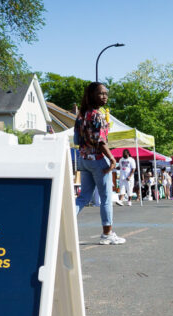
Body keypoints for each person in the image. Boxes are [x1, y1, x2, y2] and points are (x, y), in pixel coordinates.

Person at [74, 82, 125, 245]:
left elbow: (76, 139)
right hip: (97, 160)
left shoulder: (81, 115)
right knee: (105, 198)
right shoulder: (98, 115)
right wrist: (111, 158)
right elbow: (101, 140)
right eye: (101, 93)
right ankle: (107, 233)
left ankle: (62, 222)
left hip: (83, 159)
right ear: (92, 96)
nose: (105, 96)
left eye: (106, 93)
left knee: (83, 197)